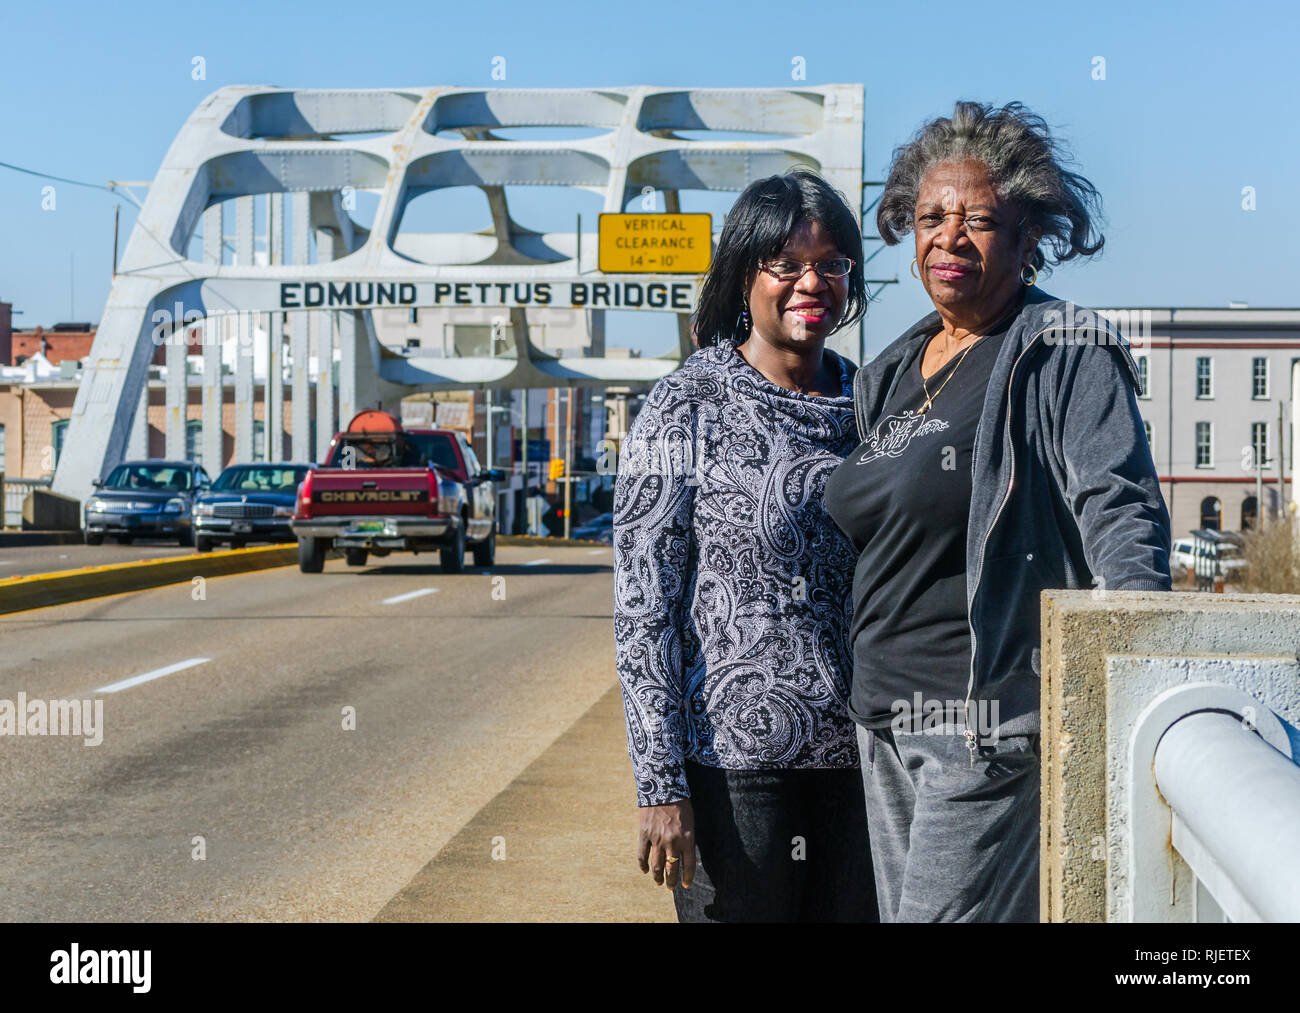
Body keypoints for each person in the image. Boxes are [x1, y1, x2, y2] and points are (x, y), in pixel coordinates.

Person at [823, 101, 1170, 922]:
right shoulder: (892, 369)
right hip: (882, 724)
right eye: (931, 216)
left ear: (1027, 238)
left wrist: (1138, 681)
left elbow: (1119, 509)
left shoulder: (1062, 349)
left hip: (983, 732)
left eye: (980, 219)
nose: (950, 236)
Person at [613, 167, 877, 922]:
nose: (810, 282)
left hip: (862, 769)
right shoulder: (685, 404)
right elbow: (643, 607)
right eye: (785, 264)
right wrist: (659, 784)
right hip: (734, 777)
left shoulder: (872, 405)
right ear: (743, 273)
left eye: (830, 264)